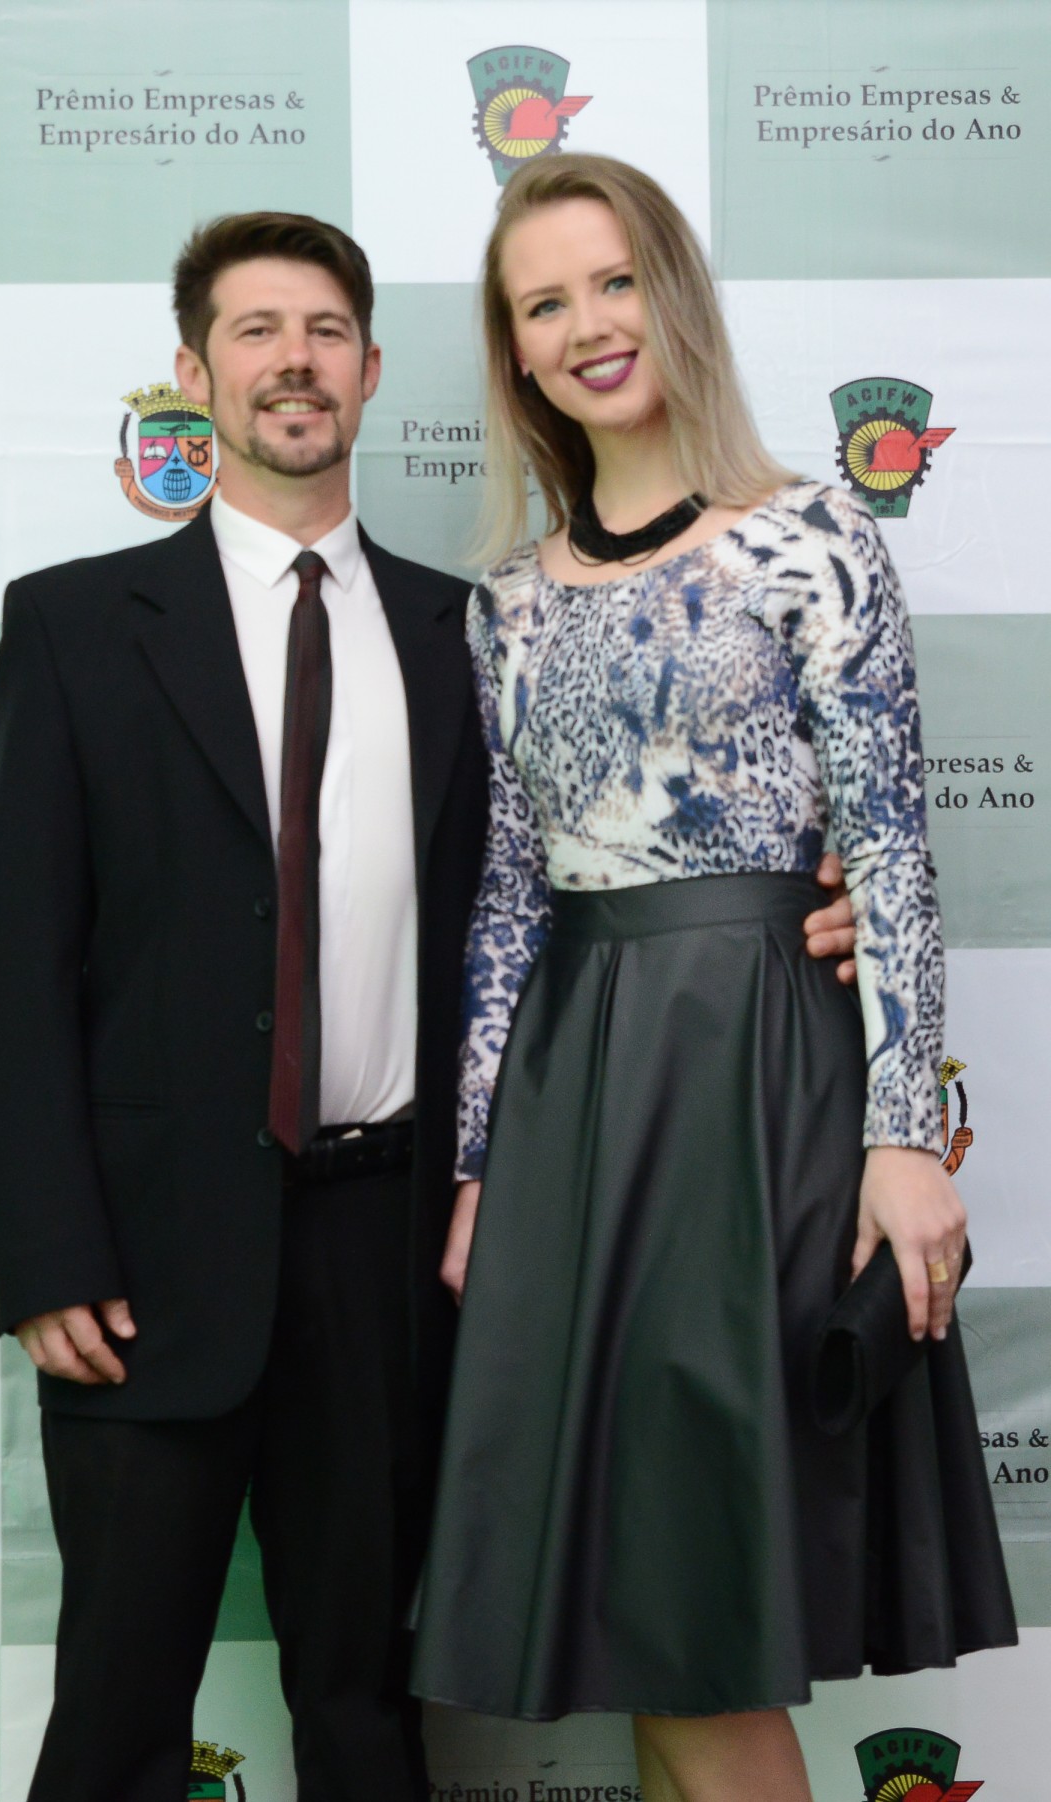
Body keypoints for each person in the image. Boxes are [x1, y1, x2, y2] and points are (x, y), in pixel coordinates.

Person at [0, 209, 858, 1802]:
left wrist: (810, 894)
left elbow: (587, 872)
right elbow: (19, 964)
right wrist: (48, 1254)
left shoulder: (478, 629)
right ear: (192, 373)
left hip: (386, 1251)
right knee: (112, 1713)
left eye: (325, 332)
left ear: (373, 371)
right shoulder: (76, 625)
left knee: (372, 1716)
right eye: (254, 331)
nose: (293, 361)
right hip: (145, 1266)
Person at [410, 156, 1017, 1802]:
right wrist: (479, 1162)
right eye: (545, 303)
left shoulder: (815, 539)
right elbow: (510, 896)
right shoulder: (506, 607)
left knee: (694, 1615)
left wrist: (905, 1137)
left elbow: (888, 848)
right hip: (573, 1103)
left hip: (756, 1086)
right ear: (517, 351)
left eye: (614, 281)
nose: (588, 325)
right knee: (636, 1607)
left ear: (671, 292)